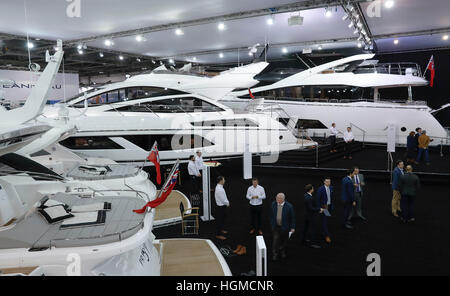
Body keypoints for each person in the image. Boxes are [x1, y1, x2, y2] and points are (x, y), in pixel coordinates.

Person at [270, 193, 295, 261]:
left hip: (285, 227)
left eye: (279, 198)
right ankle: (275, 254)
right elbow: (272, 215)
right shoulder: (273, 204)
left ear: (283, 199)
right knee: (275, 241)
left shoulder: (289, 206)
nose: (277, 199)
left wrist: (292, 227)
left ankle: (282, 251)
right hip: (276, 227)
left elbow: (292, 218)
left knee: (284, 241)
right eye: (277, 198)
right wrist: (272, 223)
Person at [302, 184, 323, 248]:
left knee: (305, 228)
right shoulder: (309, 198)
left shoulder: (305, 195)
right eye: (313, 188)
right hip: (310, 216)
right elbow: (311, 208)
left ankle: (303, 239)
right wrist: (319, 209)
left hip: (306, 215)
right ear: (311, 190)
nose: (313, 189)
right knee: (312, 229)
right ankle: (312, 243)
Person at [316, 177, 333, 243]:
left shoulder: (331, 188)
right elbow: (317, 199)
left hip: (329, 206)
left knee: (326, 219)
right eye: (327, 182)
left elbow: (331, 197)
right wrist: (319, 208)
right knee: (324, 221)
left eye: (329, 182)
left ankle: (323, 231)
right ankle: (326, 235)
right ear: (324, 182)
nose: (328, 183)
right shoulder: (320, 189)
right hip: (324, 207)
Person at [214, 176, 229, 240]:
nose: (224, 181)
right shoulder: (220, 189)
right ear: (220, 181)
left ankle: (221, 230)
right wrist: (227, 203)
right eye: (223, 180)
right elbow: (223, 199)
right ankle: (218, 234)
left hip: (221, 206)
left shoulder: (219, 187)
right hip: (221, 207)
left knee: (222, 219)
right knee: (220, 221)